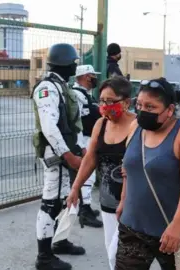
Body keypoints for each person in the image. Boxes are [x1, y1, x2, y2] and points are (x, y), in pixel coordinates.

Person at [115, 78, 180, 269]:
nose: (142, 111)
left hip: (172, 231)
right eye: (139, 105)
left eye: (150, 106)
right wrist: (123, 200)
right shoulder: (135, 127)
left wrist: (178, 225)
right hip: (133, 228)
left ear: (170, 110)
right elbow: (128, 170)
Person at [67, 76, 135, 270]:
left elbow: (134, 167)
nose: (105, 106)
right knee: (113, 256)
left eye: (111, 101)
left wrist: (126, 199)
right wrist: (75, 188)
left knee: (119, 254)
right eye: (102, 100)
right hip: (107, 202)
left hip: (131, 203)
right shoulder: (101, 124)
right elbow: (90, 159)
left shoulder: (137, 126)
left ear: (126, 102)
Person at [31, 43, 86, 270]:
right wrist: (69, 156)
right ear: (65, 62)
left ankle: (59, 242)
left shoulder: (61, 86)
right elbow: (49, 127)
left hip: (65, 151)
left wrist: (79, 148)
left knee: (63, 200)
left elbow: (70, 123)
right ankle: (44, 257)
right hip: (56, 154)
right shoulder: (48, 88)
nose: (76, 65)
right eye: (74, 61)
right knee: (50, 204)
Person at [72, 64, 103, 228]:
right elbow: (76, 122)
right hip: (82, 139)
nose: (94, 78)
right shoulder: (77, 95)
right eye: (92, 75)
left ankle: (86, 207)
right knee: (87, 176)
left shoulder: (85, 94)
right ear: (85, 76)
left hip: (88, 138)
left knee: (88, 175)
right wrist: (80, 146)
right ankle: (84, 211)